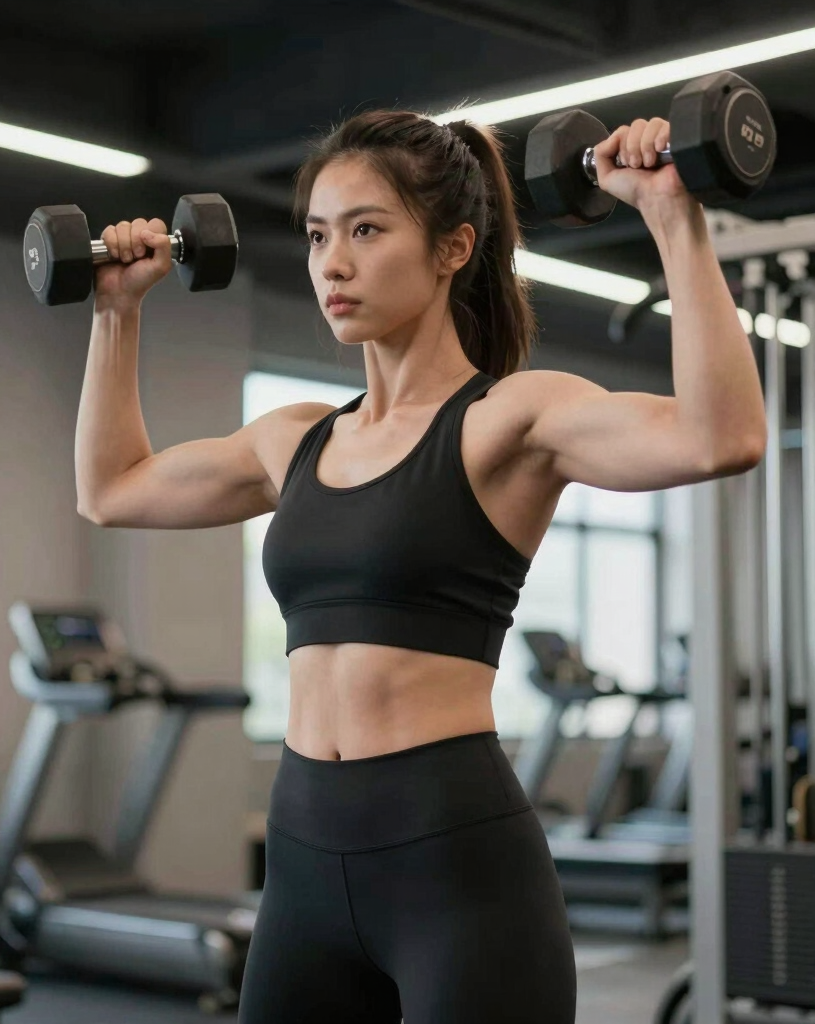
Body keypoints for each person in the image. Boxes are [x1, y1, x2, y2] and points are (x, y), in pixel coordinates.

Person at [74, 110, 767, 1023]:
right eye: (319, 235)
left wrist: (674, 216)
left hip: (455, 869)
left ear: (453, 249)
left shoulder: (508, 420)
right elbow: (112, 490)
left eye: (366, 230)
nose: (333, 263)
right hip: (303, 864)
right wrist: (116, 311)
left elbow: (723, 438)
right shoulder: (294, 440)